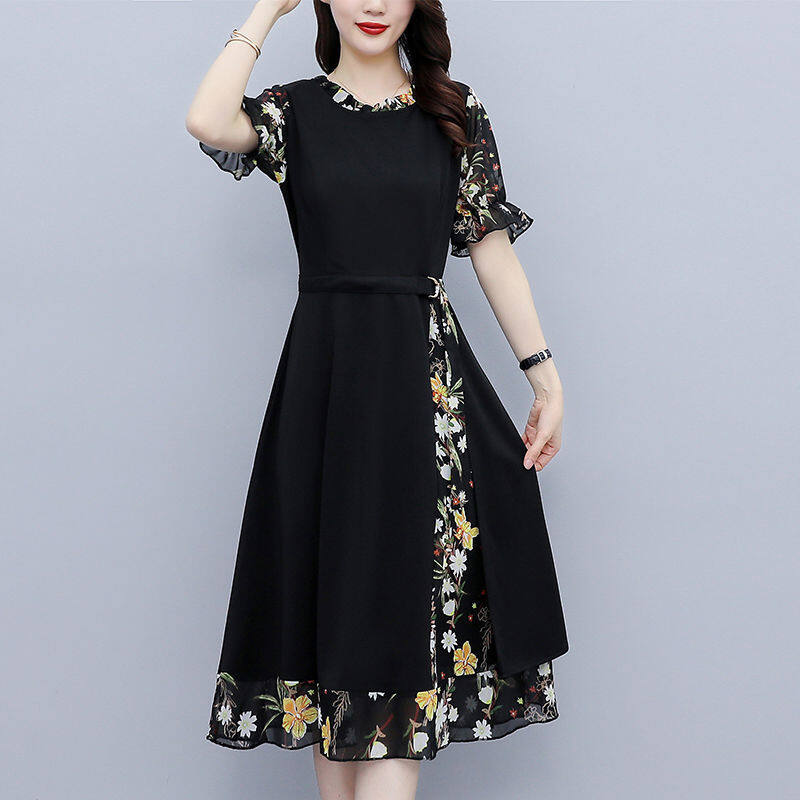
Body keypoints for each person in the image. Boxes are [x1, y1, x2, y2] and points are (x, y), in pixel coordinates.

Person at [186, 1, 569, 797]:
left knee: (396, 633)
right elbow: (208, 118)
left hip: (423, 403)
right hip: (322, 402)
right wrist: (267, 10)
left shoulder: (453, 113)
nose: (372, 3)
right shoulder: (293, 113)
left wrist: (543, 374)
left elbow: (491, 250)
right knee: (333, 639)